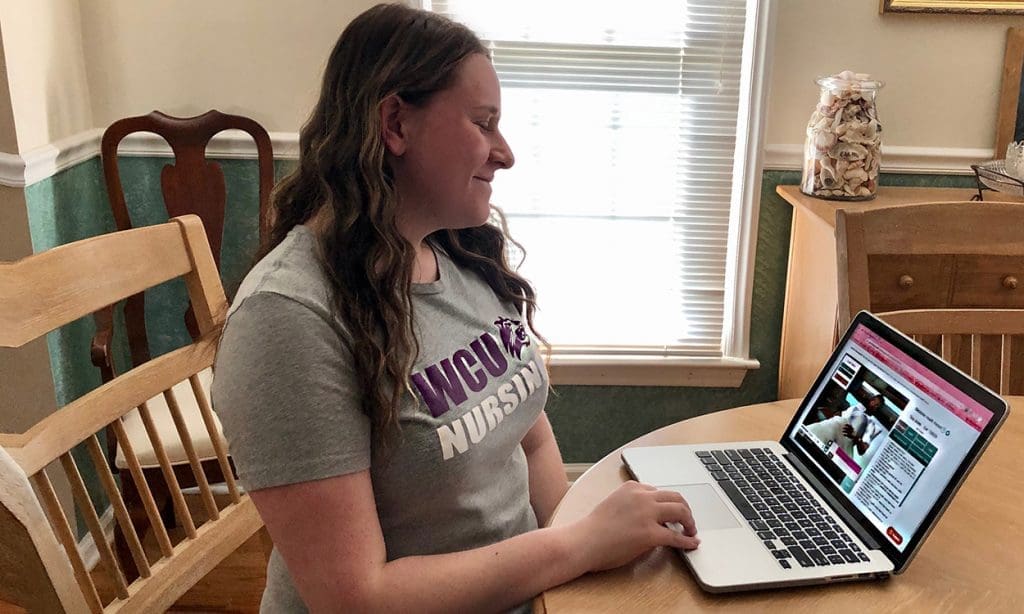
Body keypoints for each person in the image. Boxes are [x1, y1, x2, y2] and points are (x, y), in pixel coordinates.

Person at [211, 4, 698, 613]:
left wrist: (583, 564)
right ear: (395, 123)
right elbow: (356, 599)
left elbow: (532, 442)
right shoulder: (287, 319)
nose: (506, 153)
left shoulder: (460, 254)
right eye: (483, 122)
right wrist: (580, 546)